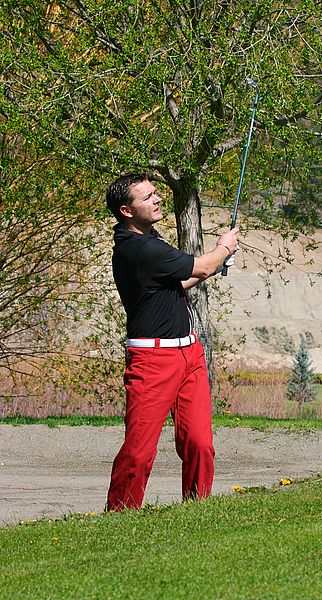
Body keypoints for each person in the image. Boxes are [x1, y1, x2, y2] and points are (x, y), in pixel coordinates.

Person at [104, 172, 239, 511]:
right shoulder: (139, 249)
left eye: (155, 193)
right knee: (138, 451)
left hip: (189, 354)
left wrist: (217, 263)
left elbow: (178, 284)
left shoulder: (152, 241)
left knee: (199, 442)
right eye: (147, 197)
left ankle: (197, 509)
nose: (157, 199)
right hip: (152, 361)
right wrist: (223, 249)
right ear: (126, 211)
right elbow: (203, 268)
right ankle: (120, 514)